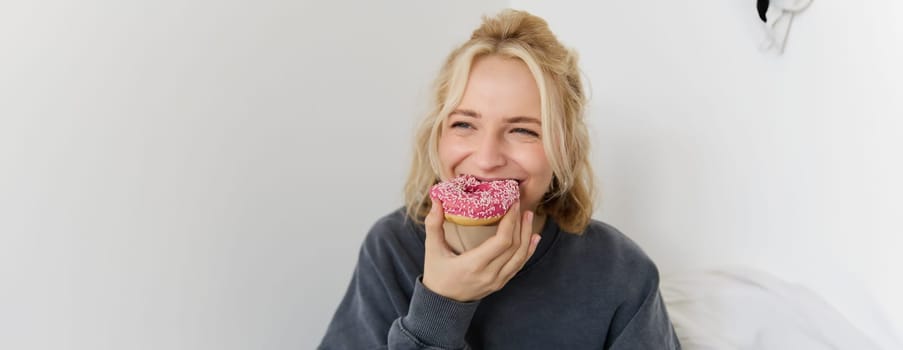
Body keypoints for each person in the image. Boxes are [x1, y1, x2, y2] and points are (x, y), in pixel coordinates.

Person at [319, 9, 680, 350]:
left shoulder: (622, 273)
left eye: (522, 130)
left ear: (564, 149)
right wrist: (440, 304)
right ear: (437, 136)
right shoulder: (391, 248)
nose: (487, 158)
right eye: (464, 124)